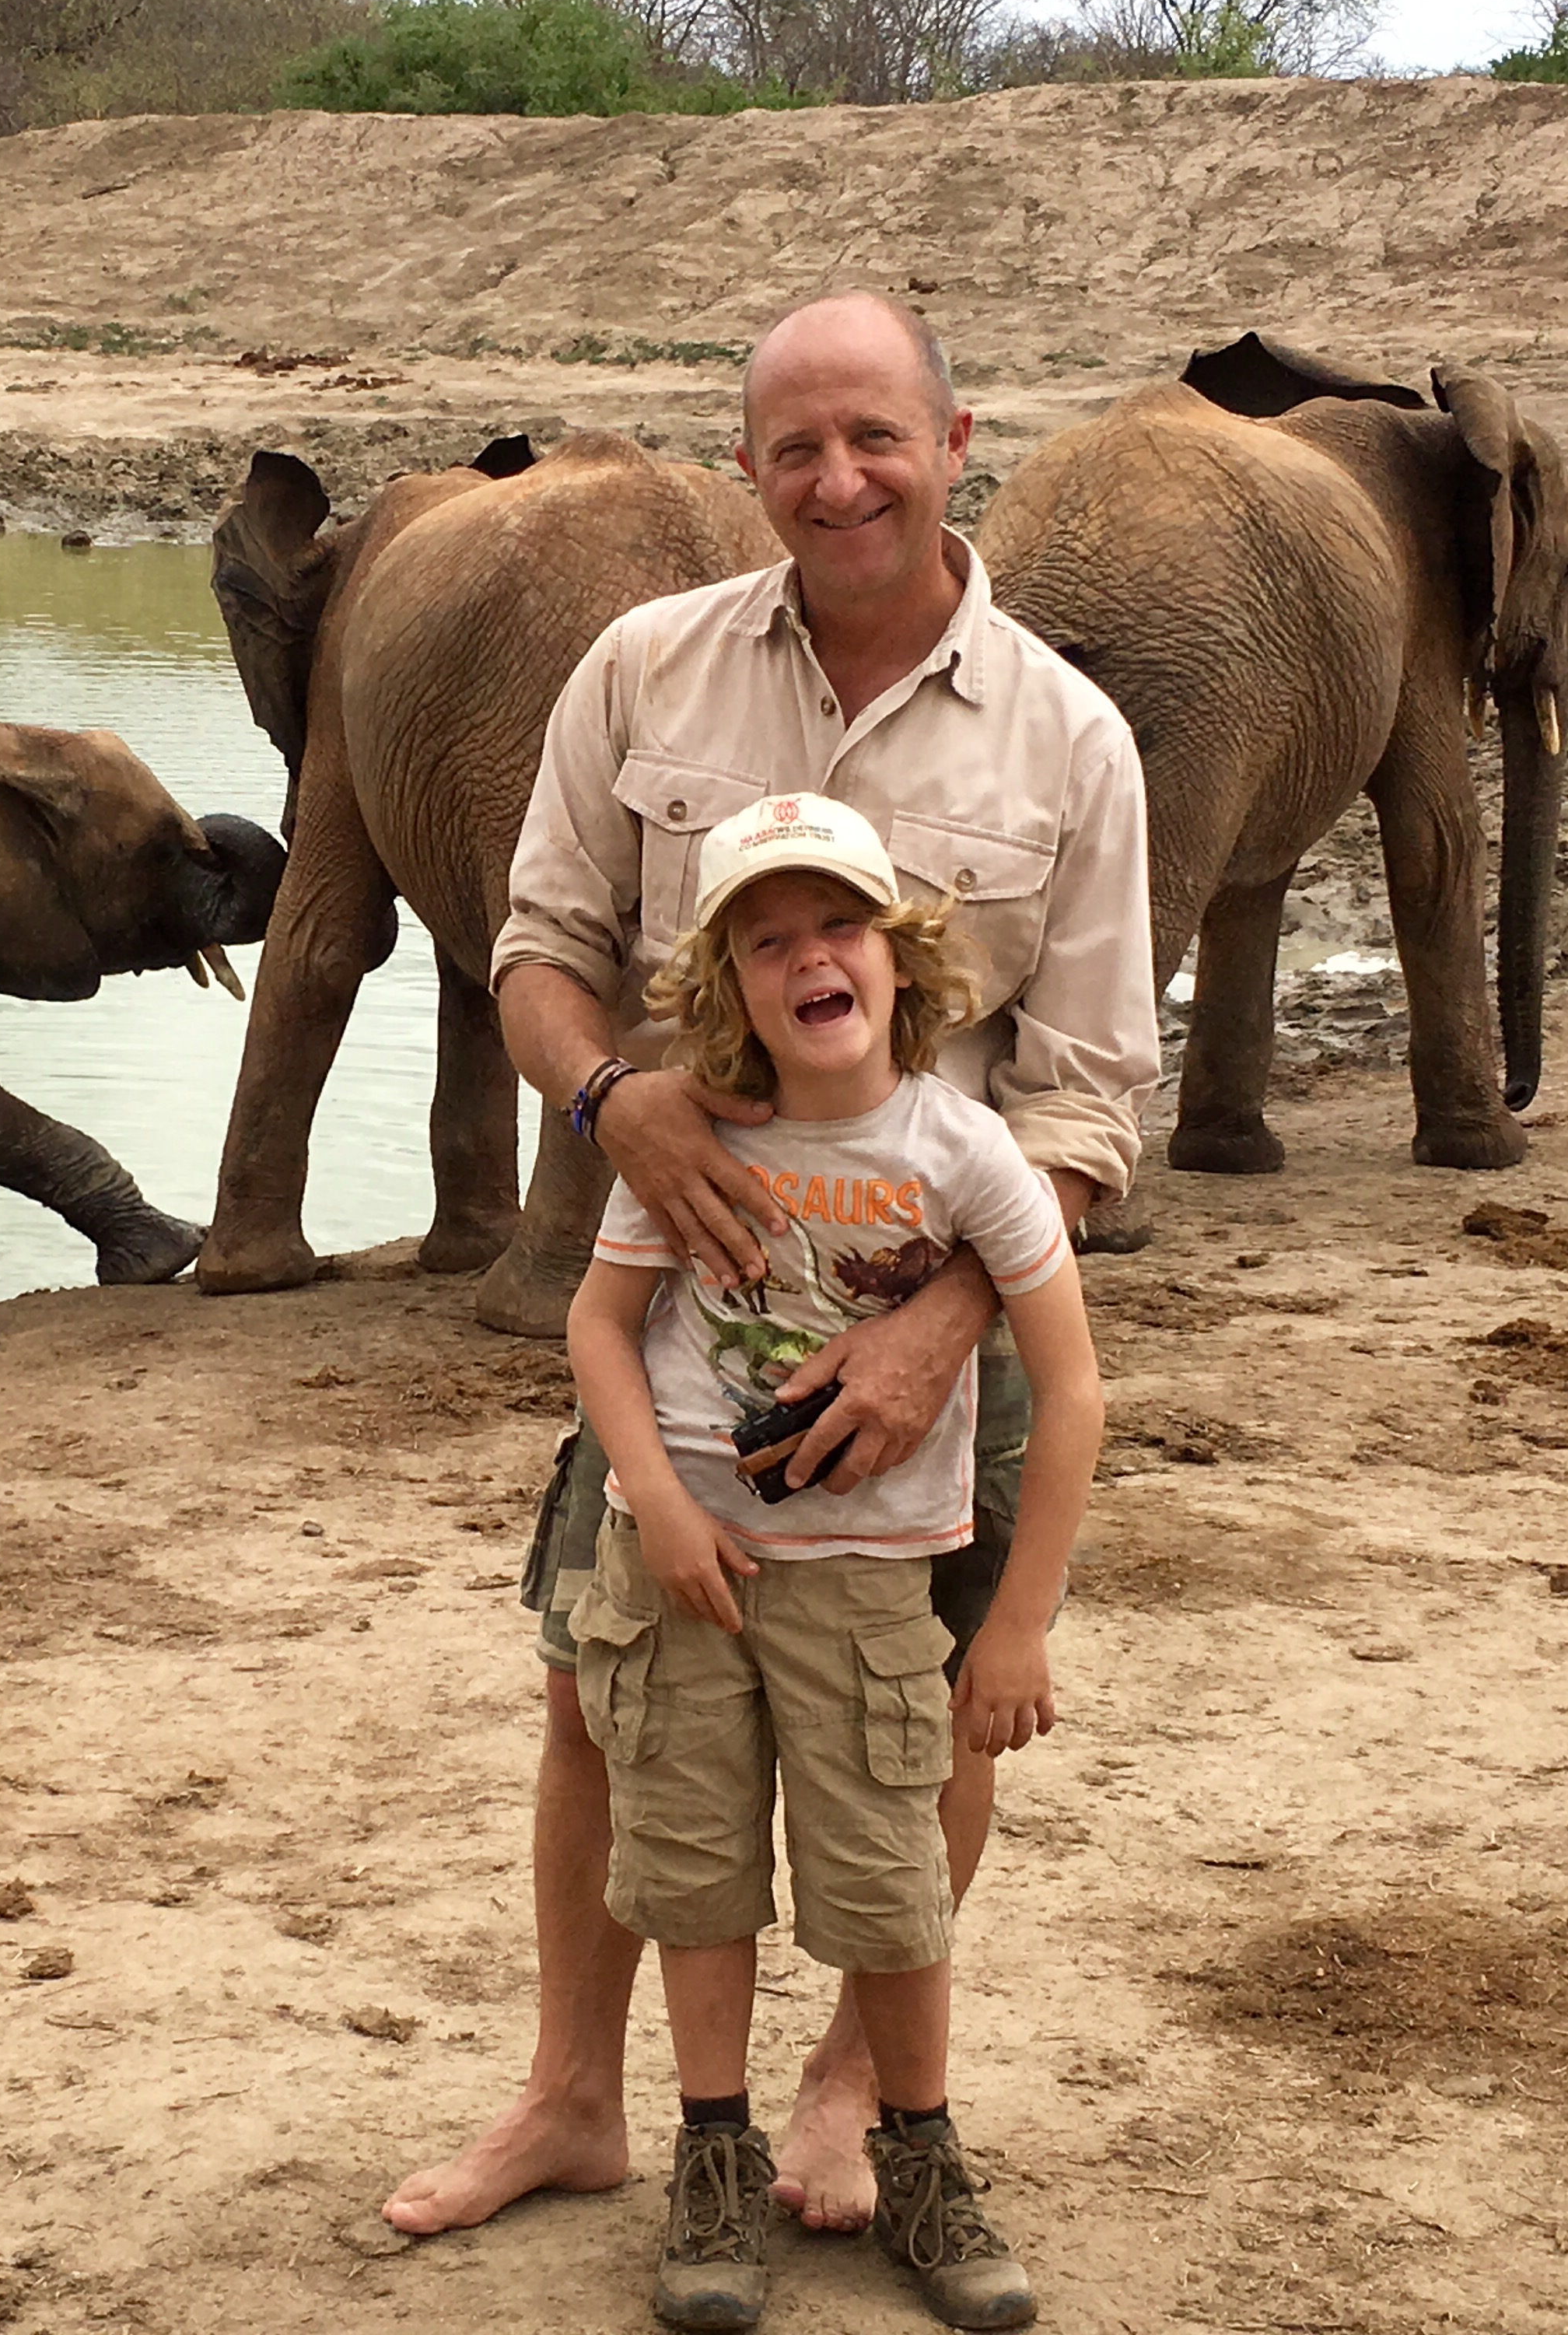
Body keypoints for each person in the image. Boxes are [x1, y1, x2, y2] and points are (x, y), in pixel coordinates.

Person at [387, 291, 1157, 2240]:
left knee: (929, 1716)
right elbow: (538, 950)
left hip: (944, 1336)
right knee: (601, 1690)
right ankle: (575, 2099)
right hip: (687, 1322)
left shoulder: (1070, 737)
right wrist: (607, 1104)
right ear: (747, 468)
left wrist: (943, 1329)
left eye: (876, 436)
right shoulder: (641, 671)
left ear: (955, 441)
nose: (839, 480)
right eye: (796, 447)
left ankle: (844, 2095)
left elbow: (1085, 1098)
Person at [567, 792, 1101, 2330]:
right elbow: (600, 1326)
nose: (811, 958)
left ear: (901, 957)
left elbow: (1072, 1392)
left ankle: (920, 2153)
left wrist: (1018, 1626)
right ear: (729, 988)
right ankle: (714, 2159)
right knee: (695, 1870)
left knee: (889, 1882)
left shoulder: (965, 1151)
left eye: (841, 926)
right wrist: (658, 1505)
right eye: (767, 941)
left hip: (872, 1586)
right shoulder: (695, 1141)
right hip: (683, 1574)